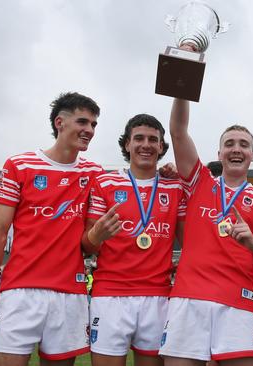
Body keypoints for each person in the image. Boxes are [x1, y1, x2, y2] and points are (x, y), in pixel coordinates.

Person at [0, 92, 107, 365]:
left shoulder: (94, 173)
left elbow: (88, 244)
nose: (89, 130)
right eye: (83, 122)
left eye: (93, 124)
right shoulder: (19, 165)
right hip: (20, 291)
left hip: (70, 294)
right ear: (60, 122)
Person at [159, 97, 253, 365]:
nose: (236, 149)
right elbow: (178, 130)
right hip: (188, 300)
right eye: (229, 144)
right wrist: (184, 77)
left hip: (239, 303)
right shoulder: (199, 181)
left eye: (244, 145)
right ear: (219, 153)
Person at [82, 113, 185, 366]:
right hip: (110, 296)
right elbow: (86, 246)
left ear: (161, 146)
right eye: (139, 138)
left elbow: (191, 243)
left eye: (153, 139)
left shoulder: (175, 187)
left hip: (158, 297)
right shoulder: (104, 182)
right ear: (127, 143)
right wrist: (96, 235)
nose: (146, 145)